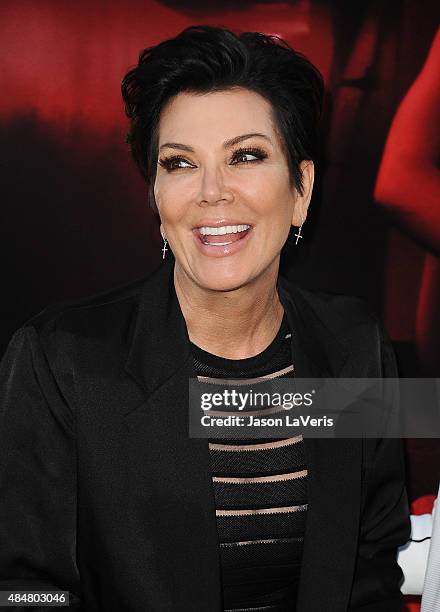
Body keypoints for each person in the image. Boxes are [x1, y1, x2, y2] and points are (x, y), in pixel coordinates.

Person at [0, 25, 410, 611]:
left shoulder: (355, 346)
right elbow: (23, 591)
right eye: (179, 163)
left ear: (301, 189)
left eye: (246, 155)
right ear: (156, 198)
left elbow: (371, 567)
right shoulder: (59, 360)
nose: (212, 192)